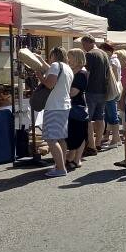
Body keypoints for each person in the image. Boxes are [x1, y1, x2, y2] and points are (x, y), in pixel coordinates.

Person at [36, 46, 73, 177]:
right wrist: (40, 60)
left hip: (54, 106)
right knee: (60, 139)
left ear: (54, 55)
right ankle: (60, 165)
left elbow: (50, 84)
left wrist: (40, 76)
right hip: (64, 105)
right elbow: (49, 69)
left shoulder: (56, 66)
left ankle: (60, 168)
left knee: (51, 139)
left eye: (50, 56)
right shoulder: (67, 67)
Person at [80, 35, 110, 156]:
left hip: (91, 90)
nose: (83, 47)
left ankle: (91, 145)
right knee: (100, 117)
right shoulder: (103, 54)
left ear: (88, 43)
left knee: (88, 118)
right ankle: (98, 143)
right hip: (103, 90)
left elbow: (87, 73)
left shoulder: (90, 54)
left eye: (83, 44)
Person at [65, 48, 89, 170]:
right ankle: (72, 157)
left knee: (79, 134)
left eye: (70, 57)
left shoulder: (81, 73)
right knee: (74, 134)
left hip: (78, 107)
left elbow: (73, 93)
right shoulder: (74, 71)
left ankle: (77, 159)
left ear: (77, 58)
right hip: (73, 106)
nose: (68, 60)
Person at [100, 42, 122, 149]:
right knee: (110, 115)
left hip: (111, 90)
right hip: (113, 90)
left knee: (112, 115)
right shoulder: (113, 60)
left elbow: (112, 77)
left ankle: (115, 140)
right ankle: (115, 139)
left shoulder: (112, 61)